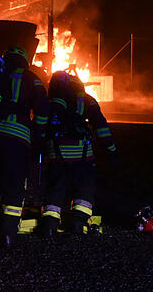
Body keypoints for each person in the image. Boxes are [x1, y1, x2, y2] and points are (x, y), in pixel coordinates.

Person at [0, 45, 48, 247]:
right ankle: (9, 233)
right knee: (14, 185)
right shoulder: (32, 79)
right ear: (24, 60)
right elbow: (41, 115)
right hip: (18, 139)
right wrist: (38, 141)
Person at [41, 71, 118, 236]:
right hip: (83, 157)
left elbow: (41, 126)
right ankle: (79, 223)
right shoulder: (87, 100)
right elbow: (101, 127)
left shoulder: (50, 101)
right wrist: (111, 150)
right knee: (84, 190)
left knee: (55, 189)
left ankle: (50, 224)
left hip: (57, 155)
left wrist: (37, 148)